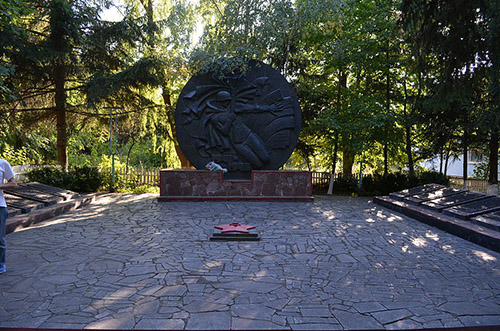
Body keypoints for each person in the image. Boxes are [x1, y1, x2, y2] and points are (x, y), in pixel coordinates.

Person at [0, 159, 16, 274]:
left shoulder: (2, 163)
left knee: (0, 239)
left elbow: (13, 183)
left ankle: (1, 265)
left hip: (0, 206)